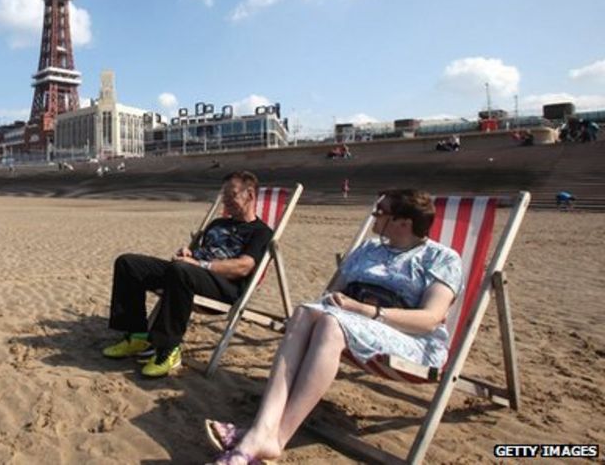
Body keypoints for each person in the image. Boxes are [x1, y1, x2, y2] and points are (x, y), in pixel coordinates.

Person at [205, 189, 462, 464]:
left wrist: (364, 310)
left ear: (403, 223)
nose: (373, 216)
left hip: (408, 339)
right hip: (351, 323)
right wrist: (338, 301)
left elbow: (430, 319)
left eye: (380, 212)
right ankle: (261, 431)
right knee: (304, 312)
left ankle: (275, 438)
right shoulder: (368, 248)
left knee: (330, 323)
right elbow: (330, 294)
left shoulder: (442, 258)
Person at [102, 171, 273, 378]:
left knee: (181, 270)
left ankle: (168, 349)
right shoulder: (217, 224)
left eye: (232, 195)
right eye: (224, 195)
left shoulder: (261, 232)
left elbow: (243, 267)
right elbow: (201, 253)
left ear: (251, 195)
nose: (226, 200)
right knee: (128, 263)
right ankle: (137, 335)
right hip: (189, 274)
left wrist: (198, 263)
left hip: (225, 288)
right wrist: (189, 253)